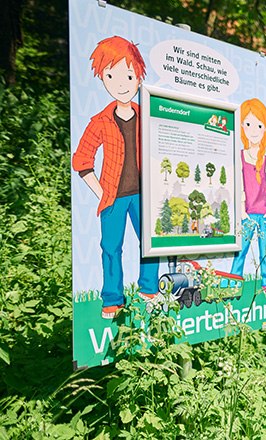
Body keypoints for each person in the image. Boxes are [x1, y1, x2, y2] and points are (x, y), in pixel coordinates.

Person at [72, 36, 160, 319]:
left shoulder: (148, 116)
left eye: (129, 75)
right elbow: (82, 159)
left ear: (138, 76)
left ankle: (149, 290)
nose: (121, 83)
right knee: (111, 248)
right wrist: (100, 192)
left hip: (143, 195)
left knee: (150, 243)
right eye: (112, 75)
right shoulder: (101, 121)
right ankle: (112, 299)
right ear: (103, 78)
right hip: (113, 196)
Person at [230, 98, 266, 294]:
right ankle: (233, 282)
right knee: (241, 250)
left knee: (265, 252)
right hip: (248, 213)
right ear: (242, 125)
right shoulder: (241, 156)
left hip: (264, 213)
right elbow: (240, 186)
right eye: (249, 124)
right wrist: (242, 211)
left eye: (258, 125)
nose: (253, 130)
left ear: (265, 129)